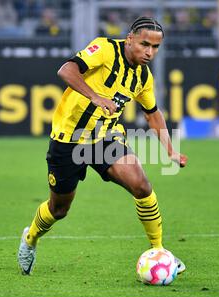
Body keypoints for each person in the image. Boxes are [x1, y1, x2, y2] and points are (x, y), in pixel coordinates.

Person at [17, 17, 188, 276]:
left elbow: (152, 113)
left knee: (141, 185)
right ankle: (30, 238)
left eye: (155, 48)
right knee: (59, 209)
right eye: (144, 44)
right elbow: (66, 70)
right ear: (130, 39)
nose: (149, 52)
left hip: (104, 138)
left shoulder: (143, 76)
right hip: (69, 140)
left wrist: (170, 150)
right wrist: (95, 97)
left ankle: (160, 251)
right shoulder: (105, 49)